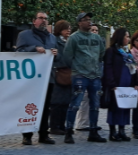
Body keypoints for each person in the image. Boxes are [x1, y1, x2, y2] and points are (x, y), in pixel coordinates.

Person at [15, 11, 58, 145]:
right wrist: (34, 49)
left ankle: (44, 134)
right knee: (29, 105)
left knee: (46, 107)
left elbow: (58, 59)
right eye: (41, 18)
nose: (44, 21)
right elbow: (19, 53)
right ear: (34, 21)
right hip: (31, 79)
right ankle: (27, 135)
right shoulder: (24, 35)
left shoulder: (52, 38)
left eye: (46, 19)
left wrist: (56, 54)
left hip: (47, 77)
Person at [64, 12, 106, 144]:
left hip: (95, 75)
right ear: (79, 22)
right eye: (85, 20)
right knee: (75, 104)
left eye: (89, 19)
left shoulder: (97, 38)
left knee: (95, 105)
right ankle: (69, 131)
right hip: (80, 75)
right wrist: (77, 68)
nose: (89, 22)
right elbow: (67, 56)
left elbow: (101, 54)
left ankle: (93, 131)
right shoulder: (74, 38)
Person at [101, 28, 138, 142]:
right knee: (114, 107)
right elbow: (108, 67)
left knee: (125, 107)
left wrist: (136, 82)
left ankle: (122, 130)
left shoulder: (128, 52)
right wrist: (111, 83)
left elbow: (134, 68)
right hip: (116, 83)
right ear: (120, 37)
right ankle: (113, 131)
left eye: (128, 36)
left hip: (127, 83)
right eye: (126, 36)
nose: (128, 38)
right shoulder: (111, 51)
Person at [74, 23, 101, 132]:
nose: (94, 32)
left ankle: (92, 123)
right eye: (93, 30)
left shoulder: (98, 43)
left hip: (95, 75)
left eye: (96, 30)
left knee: (94, 100)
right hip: (84, 74)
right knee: (83, 100)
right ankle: (81, 123)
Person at [49, 20, 72, 135]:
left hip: (68, 73)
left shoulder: (70, 41)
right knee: (57, 102)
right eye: (65, 28)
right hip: (58, 73)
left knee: (66, 102)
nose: (68, 30)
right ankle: (54, 126)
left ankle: (62, 125)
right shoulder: (55, 41)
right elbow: (56, 57)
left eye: (69, 28)